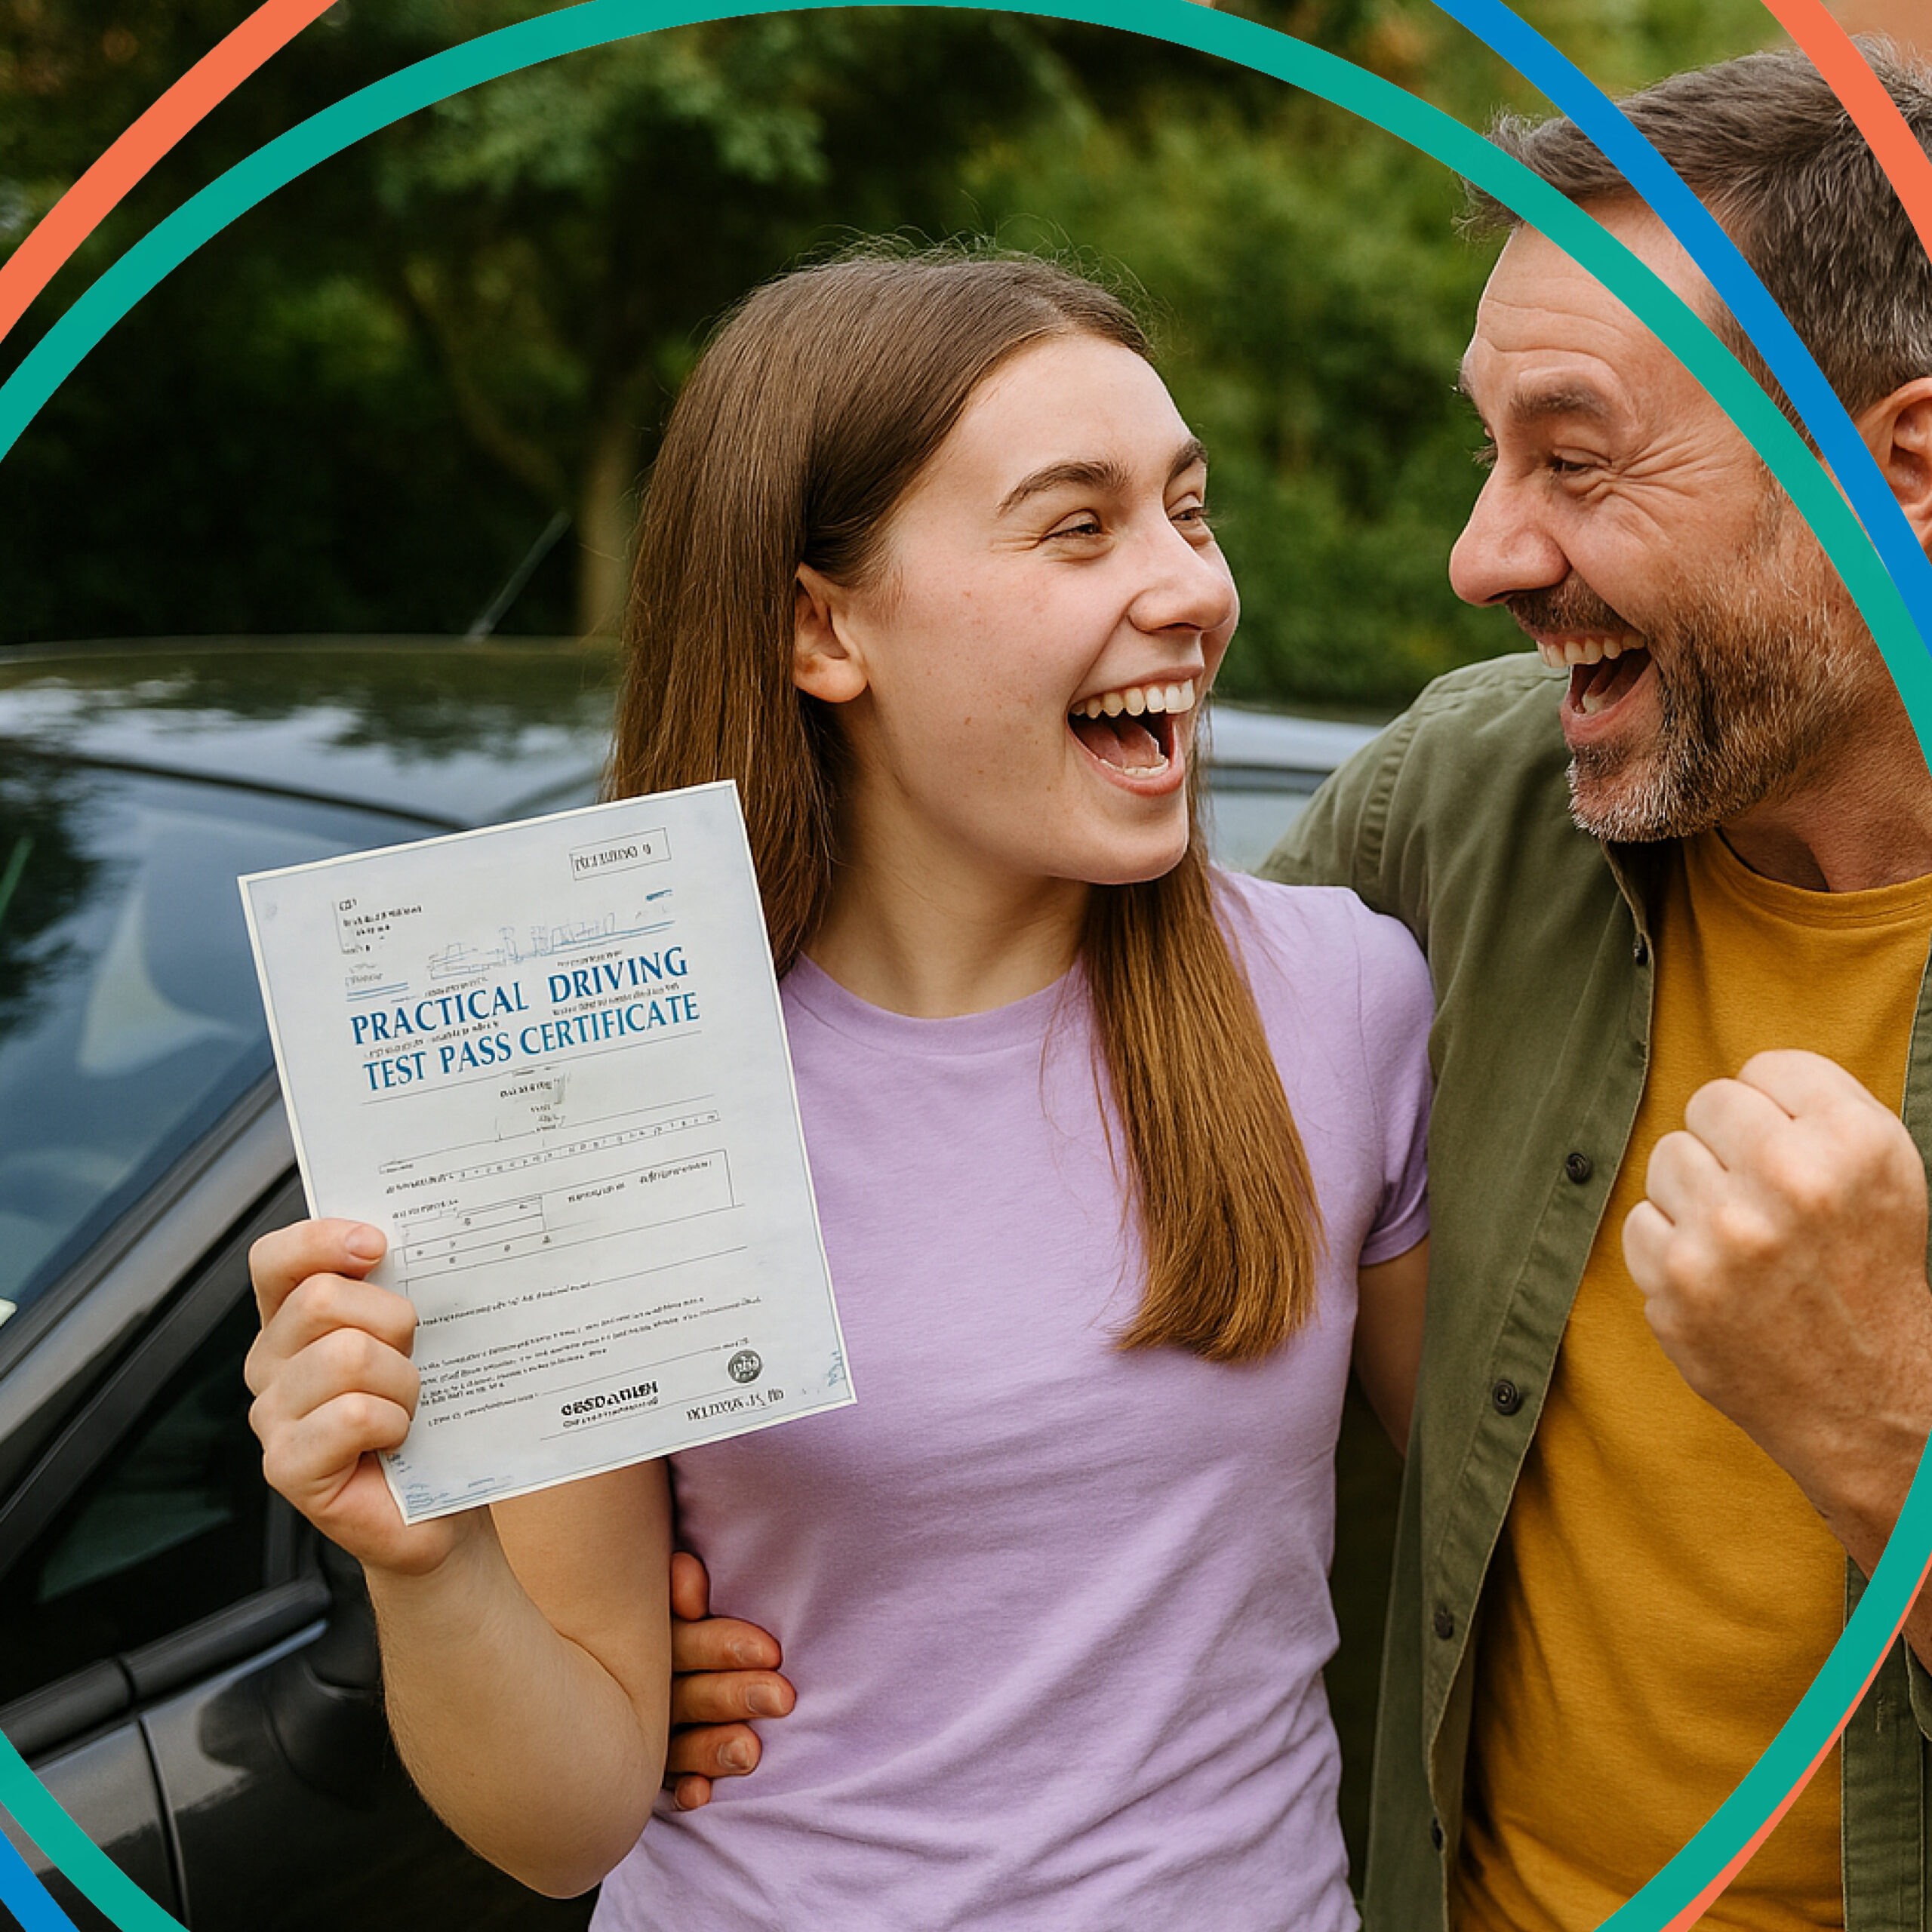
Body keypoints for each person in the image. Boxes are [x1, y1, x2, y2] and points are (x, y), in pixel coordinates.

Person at [244, 247, 1433, 1929]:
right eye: (1076, 525)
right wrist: (414, 1554)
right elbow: (568, 1814)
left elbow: (1514, 1545)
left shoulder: (1342, 997)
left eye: (1187, 508)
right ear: (822, 626)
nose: (1186, 586)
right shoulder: (600, 1073)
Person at [1261, 42, 1932, 1932]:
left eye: (1573, 457)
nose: (1482, 552)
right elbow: (1051, 1082)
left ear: (1902, 469)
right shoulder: (1456, 806)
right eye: (1490, 454)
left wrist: (1886, 1414)